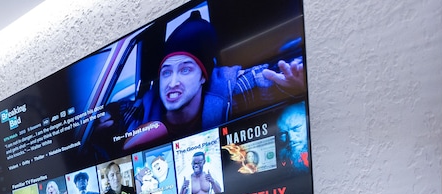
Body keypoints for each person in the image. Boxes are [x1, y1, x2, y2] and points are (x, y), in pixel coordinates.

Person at [110, 11, 307, 149]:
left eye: (185, 70)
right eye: (166, 72)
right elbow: (112, 117)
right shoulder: (137, 112)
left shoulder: (228, 89)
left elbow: (264, 77)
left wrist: (293, 86)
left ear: (203, 76)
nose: (172, 82)